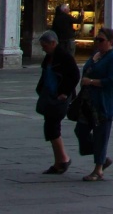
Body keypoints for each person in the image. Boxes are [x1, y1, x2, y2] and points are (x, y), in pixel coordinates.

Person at [75, 27, 113, 181]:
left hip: (103, 103)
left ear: (110, 41)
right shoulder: (96, 55)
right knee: (81, 130)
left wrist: (91, 82)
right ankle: (101, 157)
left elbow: (112, 82)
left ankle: (98, 169)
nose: (97, 42)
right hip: (88, 101)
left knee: (101, 135)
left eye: (101, 40)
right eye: (96, 39)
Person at [35, 30, 80, 175]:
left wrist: (64, 93)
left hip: (59, 97)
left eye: (45, 45)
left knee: (52, 127)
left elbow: (74, 75)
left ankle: (63, 160)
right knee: (50, 128)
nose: (43, 48)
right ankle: (59, 160)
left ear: (53, 43)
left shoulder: (64, 57)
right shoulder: (50, 57)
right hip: (49, 94)